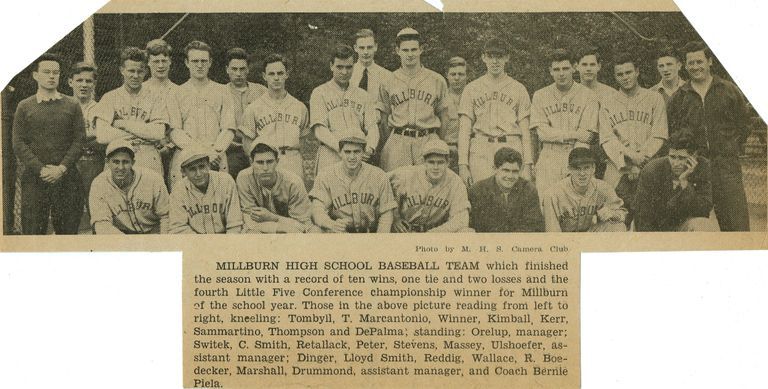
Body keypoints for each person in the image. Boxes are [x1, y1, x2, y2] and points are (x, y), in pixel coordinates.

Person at [667, 41, 751, 231]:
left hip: (726, 168)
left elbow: (744, 125)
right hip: (695, 168)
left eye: (699, 61)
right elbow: (673, 132)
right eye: (691, 63)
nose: (695, 67)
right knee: (695, 224)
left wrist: (731, 147)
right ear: (685, 65)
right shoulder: (679, 97)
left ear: (710, 61)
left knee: (736, 226)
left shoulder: (728, 90)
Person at [12, 53, 85, 234]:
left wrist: (61, 168)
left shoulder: (72, 105)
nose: (52, 76)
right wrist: (41, 169)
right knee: (33, 234)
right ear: (35, 75)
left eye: (55, 72)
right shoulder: (24, 106)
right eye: (46, 72)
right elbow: (18, 142)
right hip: (35, 179)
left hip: (67, 179)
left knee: (68, 234)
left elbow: (79, 140)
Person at [600, 53, 668, 228]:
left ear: (637, 71)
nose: (625, 77)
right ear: (615, 76)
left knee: (648, 221)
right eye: (620, 74)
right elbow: (607, 139)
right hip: (617, 168)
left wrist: (641, 158)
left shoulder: (654, 98)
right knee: (616, 220)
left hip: (648, 167)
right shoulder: (607, 102)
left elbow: (659, 134)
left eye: (628, 72)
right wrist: (631, 157)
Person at [458, 38, 532, 187]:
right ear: (483, 57)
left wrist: (528, 164)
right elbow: (464, 129)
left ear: (507, 58)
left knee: (511, 195)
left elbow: (525, 130)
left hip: (510, 144)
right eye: (490, 56)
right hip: (481, 146)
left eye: (499, 56)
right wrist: (463, 164)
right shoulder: (472, 88)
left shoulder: (518, 88)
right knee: (481, 193)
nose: (495, 61)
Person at [377, 27, 449, 171]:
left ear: (421, 50)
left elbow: (444, 117)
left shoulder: (437, 80)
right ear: (397, 51)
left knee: (428, 181)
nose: (410, 54)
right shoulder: (388, 80)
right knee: (396, 181)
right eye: (405, 50)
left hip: (428, 138)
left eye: (414, 49)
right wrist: (391, 141)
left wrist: (436, 140)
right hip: (398, 140)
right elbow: (383, 120)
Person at [530, 48, 599, 195]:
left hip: (576, 154)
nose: (561, 74)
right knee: (546, 202)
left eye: (565, 68)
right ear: (550, 71)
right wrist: (574, 134)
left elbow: (586, 136)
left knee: (576, 202)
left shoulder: (589, 96)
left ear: (574, 68)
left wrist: (576, 163)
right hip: (549, 156)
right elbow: (542, 133)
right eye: (557, 69)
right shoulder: (540, 95)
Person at [94, 46, 170, 176]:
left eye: (139, 71)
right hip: (119, 157)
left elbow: (158, 132)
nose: (135, 76)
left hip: (148, 159)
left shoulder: (156, 97)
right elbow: (102, 136)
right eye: (131, 71)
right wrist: (144, 132)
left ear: (145, 71)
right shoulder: (110, 97)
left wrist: (122, 124)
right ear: (122, 70)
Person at [171, 40, 237, 188]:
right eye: (195, 61)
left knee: (218, 196)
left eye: (203, 61)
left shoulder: (223, 91)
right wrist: (199, 152)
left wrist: (215, 151)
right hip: (186, 156)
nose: (199, 65)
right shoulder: (176, 92)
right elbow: (174, 130)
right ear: (187, 63)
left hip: (216, 157)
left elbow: (228, 128)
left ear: (210, 62)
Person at [310, 44, 378, 173]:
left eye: (348, 67)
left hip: (357, 155)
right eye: (339, 67)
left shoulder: (363, 95)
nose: (344, 72)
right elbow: (319, 129)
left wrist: (369, 147)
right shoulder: (320, 92)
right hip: (331, 152)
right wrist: (340, 148)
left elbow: (372, 126)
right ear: (331, 66)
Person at [241, 54, 309, 181]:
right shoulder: (253, 108)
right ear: (264, 76)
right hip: (266, 162)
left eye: (280, 73)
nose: (276, 78)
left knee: (294, 192)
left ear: (286, 74)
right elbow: (247, 145)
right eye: (271, 74)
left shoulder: (299, 107)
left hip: (292, 160)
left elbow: (303, 141)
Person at [309, 135, 396, 233]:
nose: (352, 157)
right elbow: (317, 209)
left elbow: (386, 213)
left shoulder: (379, 176)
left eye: (356, 152)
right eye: (347, 152)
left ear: (363, 153)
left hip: (370, 233)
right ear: (340, 153)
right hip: (339, 233)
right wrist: (330, 224)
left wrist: (380, 238)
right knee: (315, 231)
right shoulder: (326, 175)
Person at [634, 130, 718, 232]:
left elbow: (703, 209)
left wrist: (685, 184)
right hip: (656, 228)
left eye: (682, 158)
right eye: (672, 157)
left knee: (703, 225)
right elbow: (643, 216)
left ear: (694, 156)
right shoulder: (652, 169)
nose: (675, 163)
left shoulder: (702, 167)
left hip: (683, 226)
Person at [388, 139, 472, 232]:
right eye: (431, 162)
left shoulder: (456, 182)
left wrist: (432, 234)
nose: (436, 167)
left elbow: (461, 220)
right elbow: (381, 183)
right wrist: (394, 217)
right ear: (424, 162)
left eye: (440, 162)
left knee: (467, 231)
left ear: (447, 163)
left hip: (435, 233)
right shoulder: (406, 174)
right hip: (404, 231)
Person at [89, 139, 169, 234]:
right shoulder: (99, 184)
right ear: (107, 162)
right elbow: (101, 223)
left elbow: (166, 215)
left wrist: (163, 239)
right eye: (116, 162)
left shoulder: (152, 179)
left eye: (125, 162)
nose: (121, 167)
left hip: (154, 232)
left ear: (133, 163)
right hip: (120, 235)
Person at [236, 142, 317, 233]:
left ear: (277, 161)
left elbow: (303, 225)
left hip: (290, 232)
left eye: (270, 162)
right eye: (260, 162)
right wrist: (277, 228)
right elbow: (250, 221)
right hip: (266, 229)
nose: (265, 168)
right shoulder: (244, 178)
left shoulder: (293, 182)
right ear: (251, 162)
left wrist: (273, 218)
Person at [541, 147, 626, 232]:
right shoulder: (553, 194)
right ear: (569, 169)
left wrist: (613, 214)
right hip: (565, 237)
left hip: (590, 234)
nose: (582, 173)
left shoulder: (603, 188)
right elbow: (552, 233)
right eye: (577, 168)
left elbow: (622, 214)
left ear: (593, 168)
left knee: (618, 226)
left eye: (586, 168)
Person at [169, 146, 243, 234]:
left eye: (201, 167)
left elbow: (235, 223)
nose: (198, 174)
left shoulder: (225, 181)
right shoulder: (178, 190)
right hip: (194, 239)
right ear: (183, 172)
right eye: (192, 169)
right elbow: (178, 227)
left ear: (208, 165)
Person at [468, 147, 544, 232]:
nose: (510, 176)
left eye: (515, 171)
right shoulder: (478, 190)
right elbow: (476, 226)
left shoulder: (528, 189)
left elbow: (534, 225)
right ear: (495, 169)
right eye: (506, 170)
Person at [143, 38, 183, 188]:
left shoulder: (179, 91)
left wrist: (170, 146)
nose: (160, 65)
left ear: (170, 61)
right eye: (156, 61)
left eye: (164, 61)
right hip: (149, 150)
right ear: (148, 62)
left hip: (176, 149)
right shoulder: (141, 90)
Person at [350, 28, 392, 163]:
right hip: (353, 131)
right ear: (355, 48)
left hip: (380, 132)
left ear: (376, 47)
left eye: (369, 47)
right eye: (362, 48)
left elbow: (390, 108)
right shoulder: (348, 74)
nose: (366, 52)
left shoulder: (386, 76)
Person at [224, 47, 267, 179]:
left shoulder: (262, 91)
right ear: (227, 69)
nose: (238, 73)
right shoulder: (220, 93)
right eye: (234, 69)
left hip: (258, 149)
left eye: (242, 69)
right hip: (231, 151)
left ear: (248, 69)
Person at [576, 47, 617, 179]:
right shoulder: (571, 93)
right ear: (576, 66)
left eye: (592, 64)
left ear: (599, 66)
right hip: (578, 148)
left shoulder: (611, 94)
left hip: (605, 151)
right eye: (584, 65)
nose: (588, 69)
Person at [68, 62, 102, 221]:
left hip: (93, 163)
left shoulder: (101, 108)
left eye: (88, 81)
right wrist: (90, 136)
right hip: (69, 164)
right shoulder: (63, 106)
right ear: (70, 82)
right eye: (79, 80)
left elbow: (103, 136)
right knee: (69, 213)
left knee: (95, 210)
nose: (84, 85)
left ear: (94, 84)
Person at [443, 56, 468, 173]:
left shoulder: (473, 96)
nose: (457, 78)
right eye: (453, 74)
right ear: (447, 75)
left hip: (468, 150)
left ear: (467, 75)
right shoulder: (441, 97)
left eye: (461, 74)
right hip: (446, 150)